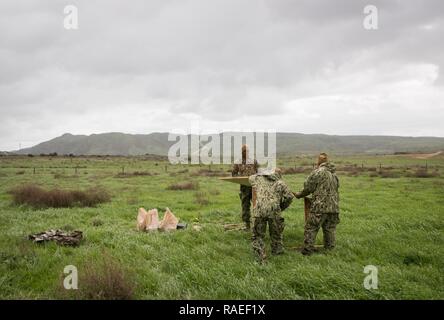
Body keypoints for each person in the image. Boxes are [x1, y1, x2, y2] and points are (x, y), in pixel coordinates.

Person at [294, 153, 340, 256]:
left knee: (311, 227)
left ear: (319, 162)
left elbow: (308, 188)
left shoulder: (317, 172)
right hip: (334, 206)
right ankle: (330, 250)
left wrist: (298, 195)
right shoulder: (334, 174)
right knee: (330, 229)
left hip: (320, 206)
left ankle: (307, 251)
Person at [249, 168, 294, 263]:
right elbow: (289, 196)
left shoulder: (258, 179)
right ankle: (277, 252)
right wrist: (281, 207)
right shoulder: (281, 183)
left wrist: (262, 173)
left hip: (259, 210)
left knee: (257, 235)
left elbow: (250, 178)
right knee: (276, 233)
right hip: (274, 210)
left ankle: (260, 254)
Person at [232, 144, 258, 230]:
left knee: (257, 205)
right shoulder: (237, 162)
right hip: (244, 187)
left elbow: (258, 172)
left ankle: (257, 224)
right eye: (244, 151)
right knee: (245, 206)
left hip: (254, 186)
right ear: (241, 152)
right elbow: (234, 174)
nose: (246, 153)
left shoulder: (253, 161)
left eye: (247, 151)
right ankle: (247, 225)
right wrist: (240, 179)